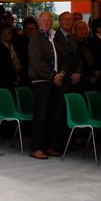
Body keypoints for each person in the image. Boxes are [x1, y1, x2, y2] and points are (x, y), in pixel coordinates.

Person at [27, 11, 70, 160]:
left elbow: (65, 58)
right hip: (42, 81)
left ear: (52, 22)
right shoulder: (35, 39)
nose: (46, 23)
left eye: (49, 20)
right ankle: (36, 147)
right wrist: (53, 76)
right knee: (41, 115)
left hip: (56, 81)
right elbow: (37, 62)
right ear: (39, 22)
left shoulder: (56, 37)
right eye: (43, 20)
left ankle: (50, 145)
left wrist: (62, 73)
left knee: (54, 114)